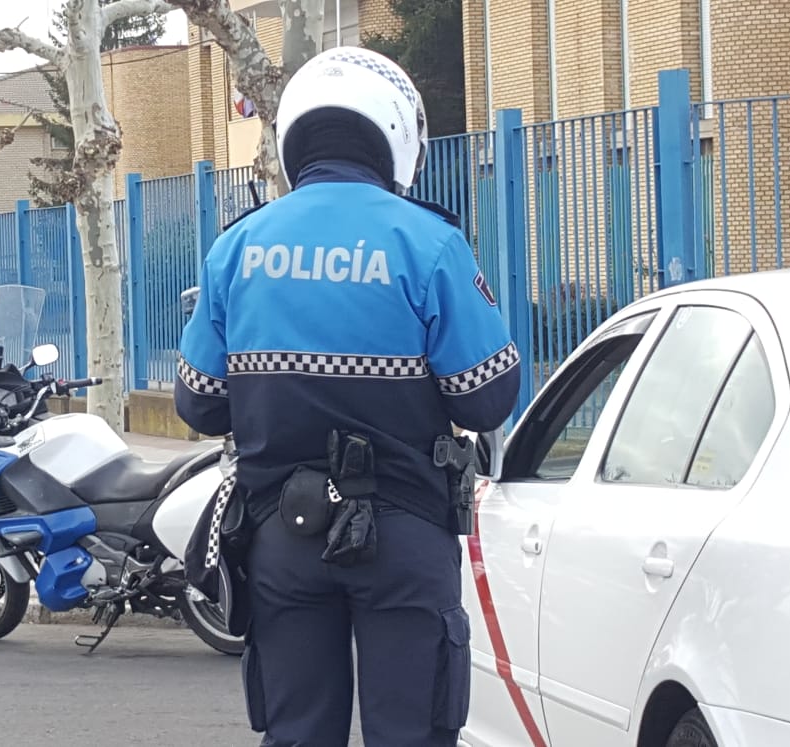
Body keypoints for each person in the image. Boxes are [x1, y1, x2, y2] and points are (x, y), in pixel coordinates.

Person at [175, 46, 520, 747]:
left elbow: (199, 403)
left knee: (297, 734)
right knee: (412, 733)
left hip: (282, 538)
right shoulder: (429, 243)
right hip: (405, 534)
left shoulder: (237, 248)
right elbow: (487, 397)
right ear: (397, 135)